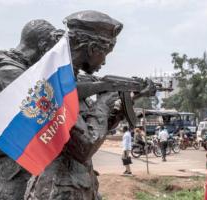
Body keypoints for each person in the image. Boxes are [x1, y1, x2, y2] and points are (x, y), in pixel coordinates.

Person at [24, 11, 125, 200]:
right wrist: (103, 105)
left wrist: (118, 113)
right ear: (92, 48)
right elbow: (84, 147)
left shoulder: (71, 82)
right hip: (59, 190)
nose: (104, 61)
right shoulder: (54, 84)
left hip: (74, 187)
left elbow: (89, 128)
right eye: (104, 53)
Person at [0, 20, 60, 200]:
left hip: (10, 167)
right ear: (42, 45)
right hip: (9, 172)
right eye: (50, 49)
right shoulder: (8, 73)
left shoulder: (12, 68)